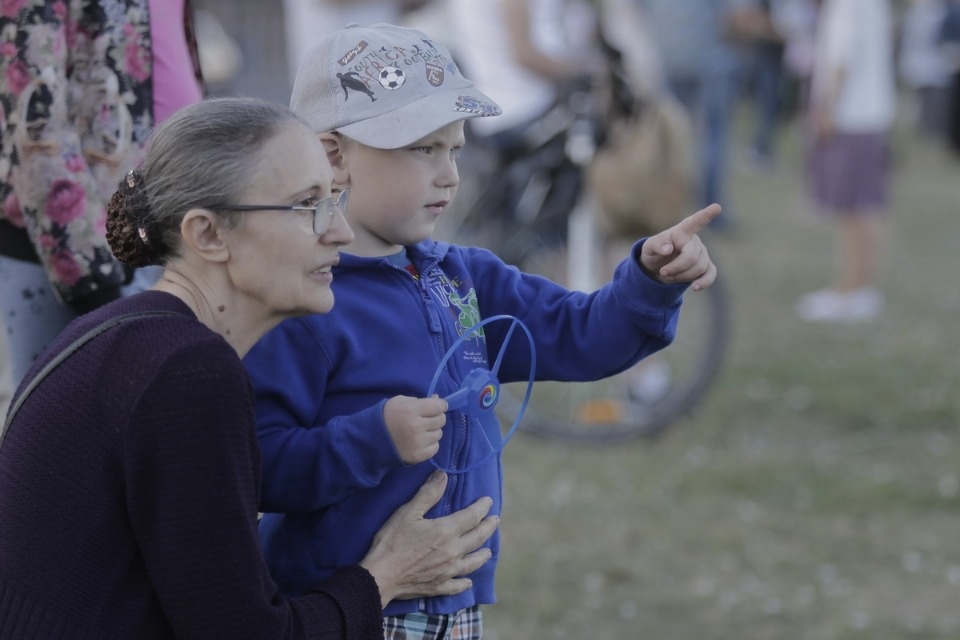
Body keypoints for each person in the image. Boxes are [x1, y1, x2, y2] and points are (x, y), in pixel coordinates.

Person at [243, 23, 719, 638]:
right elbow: (260, 465)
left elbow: (581, 334)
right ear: (335, 157)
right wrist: (372, 437)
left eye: (455, 149)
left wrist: (650, 280)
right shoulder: (302, 303)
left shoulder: (465, 278)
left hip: (456, 603)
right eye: (423, 150)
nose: (450, 175)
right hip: (349, 608)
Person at [0, 97, 499, 639]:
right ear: (209, 235)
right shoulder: (187, 374)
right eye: (308, 206)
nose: (340, 233)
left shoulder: (132, 338)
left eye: (334, 201)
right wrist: (386, 574)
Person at [0, 0, 204, 386]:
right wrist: (96, 282)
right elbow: (34, 121)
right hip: (71, 253)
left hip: (166, 231)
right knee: (56, 429)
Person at [794, 0, 895, 322]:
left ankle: (852, 291)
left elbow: (841, 57)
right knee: (862, 206)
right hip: (867, 114)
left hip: (851, 116)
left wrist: (826, 108)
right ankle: (859, 287)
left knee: (853, 209)